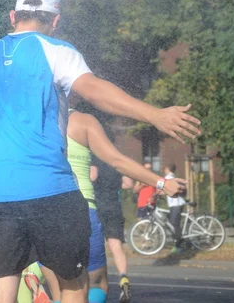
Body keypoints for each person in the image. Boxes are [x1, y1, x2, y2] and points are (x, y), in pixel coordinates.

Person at [0, 0, 198, 303]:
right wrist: (153, 114)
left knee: (0, 286)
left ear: (14, 17)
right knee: (72, 285)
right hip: (51, 192)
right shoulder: (57, 50)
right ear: (55, 21)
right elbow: (93, 89)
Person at [40, 109, 184, 303]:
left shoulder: (27, 121)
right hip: (81, 209)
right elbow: (117, 161)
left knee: (58, 288)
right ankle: (122, 276)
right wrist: (162, 183)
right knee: (95, 284)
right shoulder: (83, 122)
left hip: (43, 212)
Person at [92, 158, 134, 303]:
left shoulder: (93, 157)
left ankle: (96, 282)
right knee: (116, 246)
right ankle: (123, 278)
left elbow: (93, 176)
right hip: (114, 207)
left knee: (96, 246)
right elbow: (128, 184)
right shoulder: (115, 160)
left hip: (98, 207)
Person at [163, 164, 187, 253]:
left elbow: (161, 187)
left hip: (175, 204)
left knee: (174, 225)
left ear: (167, 168)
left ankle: (180, 245)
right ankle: (179, 243)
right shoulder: (173, 177)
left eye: (164, 168)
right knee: (174, 224)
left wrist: (156, 194)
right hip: (177, 204)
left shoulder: (168, 177)